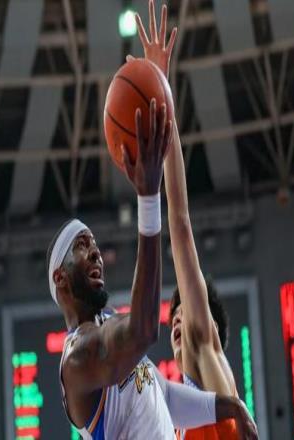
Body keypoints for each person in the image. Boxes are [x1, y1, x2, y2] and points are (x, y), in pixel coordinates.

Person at [47, 97, 251, 439]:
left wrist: (229, 406)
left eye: (95, 245)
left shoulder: (110, 324)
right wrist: (148, 198)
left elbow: (164, 394)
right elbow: (143, 330)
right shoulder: (77, 360)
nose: (96, 253)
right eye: (82, 245)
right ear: (61, 277)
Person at [133, 2, 258, 439]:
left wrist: (160, 90)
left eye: (182, 310)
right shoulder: (185, 418)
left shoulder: (206, 347)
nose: (176, 321)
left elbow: (181, 223)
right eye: (174, 317)